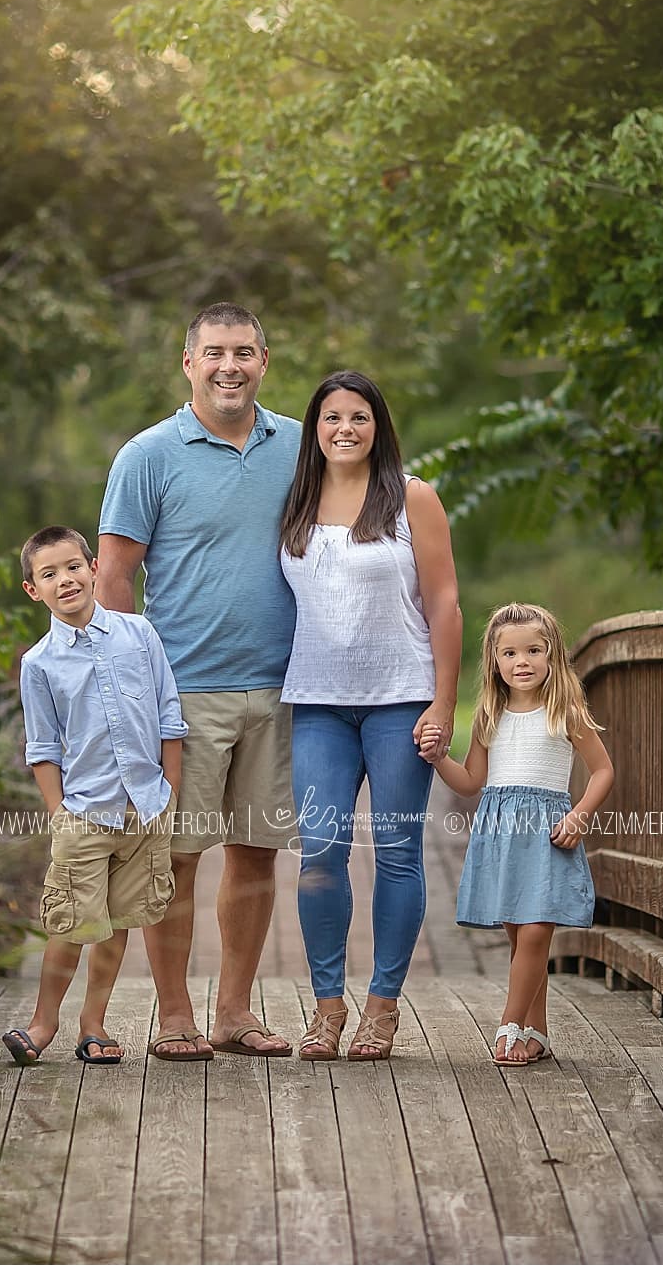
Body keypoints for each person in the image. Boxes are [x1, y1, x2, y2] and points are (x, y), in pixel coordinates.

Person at [96, 302, 299, 1059]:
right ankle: (176, 1014)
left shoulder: (299, 447)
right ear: (189, 363)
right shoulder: (147, 455)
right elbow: (112, 576)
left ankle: (236, 1012)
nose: (229, 366)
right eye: (215, 352)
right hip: (180, 692)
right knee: (174, 858)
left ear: (264, 360)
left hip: (281, 689)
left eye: (244, 352)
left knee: (256, 850)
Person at [278, 370, 461, 1061]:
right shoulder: (296, 499)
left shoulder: (413, 497)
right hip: (319, 702)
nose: (345, 428)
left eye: (359, 416)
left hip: (400, 702)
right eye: (331, 417)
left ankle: (381, 1008)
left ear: (378, 426)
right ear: (315, 428)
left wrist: (443, 701)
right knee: (321, 854)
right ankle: (328, 1007)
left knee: (396, 854)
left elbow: (444, 604)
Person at [4, 526, 185, 1065]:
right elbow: (41, 748)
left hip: (144, 807)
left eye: (73, 567)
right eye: (49, 574)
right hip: (85, 811)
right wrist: (60, 814)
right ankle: (43, 1023)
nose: (65, 580)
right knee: (73, 920)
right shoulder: (38, 664)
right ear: (32, 589)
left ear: (91, 568)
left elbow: (168, 718)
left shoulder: (139, 634)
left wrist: (167, 793)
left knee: (118, 919)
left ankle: (95, 1022)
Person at [430, 602, 614, 1066]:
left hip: (547, 833)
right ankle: (538, 1033)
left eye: (534, 650)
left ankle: (509, 1027)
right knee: (520, 939)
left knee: (534, 934)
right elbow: (472, 781)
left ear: (552, 656)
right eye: (510, 653)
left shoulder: (564, 711)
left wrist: (580, 816)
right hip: (499, 833)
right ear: (495, 660)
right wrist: (438, 760)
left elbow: (603, 771)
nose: (522, 662)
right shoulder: (490, 717)